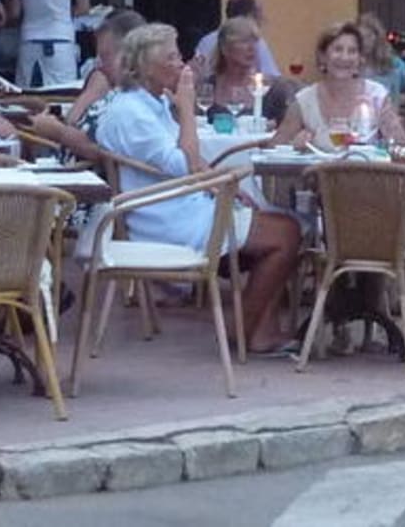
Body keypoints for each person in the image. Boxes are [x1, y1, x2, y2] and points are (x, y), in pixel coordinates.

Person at [94, 23, 301, 354]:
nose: (181, 64)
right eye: (172, 58)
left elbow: (188, 163)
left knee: (282, 224)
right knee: (286, 234)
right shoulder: (132, 113)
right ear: (147, 66)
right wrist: (187, 108)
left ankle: (262, 331)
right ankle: (241, 331)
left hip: (179, 203)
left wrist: (219, 186)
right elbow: (185, 164)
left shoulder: (150, 102)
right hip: (165, 217)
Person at [25, 9, 142, 162]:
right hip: (69, 167)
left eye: (105, 56)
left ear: (130, 55)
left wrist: (59, 132)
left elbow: (104, 153)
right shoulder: (119, 93)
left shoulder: (137, 100)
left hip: (83, 174)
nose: (99, 64)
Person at [272, 22, 405, 148]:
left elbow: (403, 148)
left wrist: (386, 144)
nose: (344, 57)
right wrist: (295, 147)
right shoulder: (305, 101)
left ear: (360, 59)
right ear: (323, 56)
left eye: (352, 51)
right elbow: (274, 150)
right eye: (338, 50)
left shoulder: (376, 96)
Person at [206, 14, 290, 125]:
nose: (251, 48)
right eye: (244, 41)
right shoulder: (208, 86)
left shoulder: (273, 89)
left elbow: (290, 127)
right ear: (225, 48)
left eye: (254, 41)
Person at [190, 0, 281, 78]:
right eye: (258, 15)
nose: (262, 20)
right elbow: (272, 77)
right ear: (248, 17)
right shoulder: (255, 43)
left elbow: (195, 74)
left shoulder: (205, 41)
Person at [356, 12, 405, 97]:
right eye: (361, 37)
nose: (365, 41)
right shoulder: (350, 67)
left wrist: (398, 99)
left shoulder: (396, 65)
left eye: (368, 36)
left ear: (378, 38)